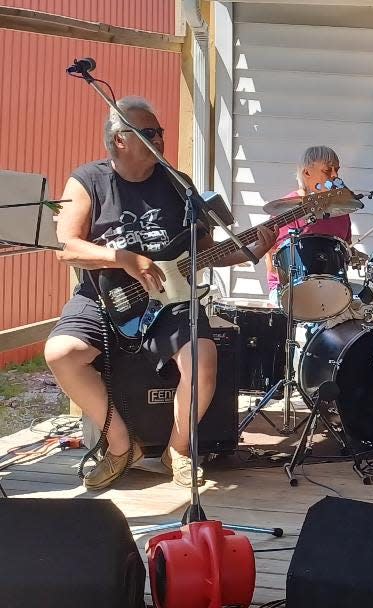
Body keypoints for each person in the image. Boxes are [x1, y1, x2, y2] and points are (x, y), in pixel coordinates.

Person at [44, 96, 275, 489]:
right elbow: (68, 246)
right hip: (103, 295)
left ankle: (178, 449)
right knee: (61, 354)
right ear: (121, 140)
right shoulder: (89, 180)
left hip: (169, 300)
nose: (160, 138)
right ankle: (120, 445)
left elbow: (205, 251)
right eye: (149, 133)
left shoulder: (177, 184)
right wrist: (124, 259)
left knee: (204, 356)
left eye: (160, 131)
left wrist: (252, 250)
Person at [265, 145, 353, 305]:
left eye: (337, 170)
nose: (335, 176)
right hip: (289, 288)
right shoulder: (286, 210)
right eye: (327, 171)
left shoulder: (341, 211)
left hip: (331, 287)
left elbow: (345, 248)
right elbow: (270, 252)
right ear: (307, 173)